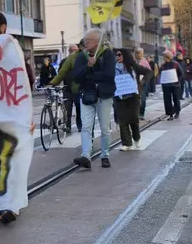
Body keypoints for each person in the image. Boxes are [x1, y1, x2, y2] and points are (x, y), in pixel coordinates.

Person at [0, 11, 29, 225]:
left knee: (12, 160)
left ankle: (12, 205)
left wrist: (27, 114)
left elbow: (25, 85)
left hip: (11, 116)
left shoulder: (13, 51)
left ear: (3, 27)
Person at [71, 28, 116, 170]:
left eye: (89, 40)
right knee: (86, 127)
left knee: (104, 128)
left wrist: (90, 75)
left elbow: (109, 75)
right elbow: (76, 77)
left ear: (97, 42)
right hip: (87, 95)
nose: (86, 42)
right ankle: (86, 156)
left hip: (104, 95)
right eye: (85, 40)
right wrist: (88, 68)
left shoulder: (107, 54)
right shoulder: (82, 56)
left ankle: (105, 155)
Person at [115, 49, 152, 151]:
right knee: (122, 120)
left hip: (133, 96)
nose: (117, 57)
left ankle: (136, 138)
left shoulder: (133, 66)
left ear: (125, 56)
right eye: (116, 55)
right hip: (119, 96)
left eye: (119, 55)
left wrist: (142, 82)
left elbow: (148, 72)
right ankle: (127, 143)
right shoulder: (113, 68)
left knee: (133, 119)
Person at [50, 43, 83, 133]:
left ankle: (79, 125)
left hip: (77, 89)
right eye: (71, 51)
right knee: (67, 109)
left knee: (79, 108)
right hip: (67, 88)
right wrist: (55, 83)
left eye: (75, 51)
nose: (73, 52)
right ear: (69, 51)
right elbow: (61, 73)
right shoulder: (64, 61)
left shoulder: (80, 60)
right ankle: (68, 125)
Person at [160, 51, 183, 120]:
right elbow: (161, 74)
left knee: (176, 99)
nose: (163, 58)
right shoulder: (163, 65)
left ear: (168, 57)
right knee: (167, 100)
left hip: (175, 85)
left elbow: (181, 74)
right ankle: (170, 114)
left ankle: (177, 112)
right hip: (166, 86)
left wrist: (177, 80)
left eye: (164, 56)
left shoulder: (176, 64)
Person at [135, 48, 150, 121]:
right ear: (136, 54)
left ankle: (141, 114)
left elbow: (149, 72)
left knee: (142, 99)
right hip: (134, 83)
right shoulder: (133, 61)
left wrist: (144, 80)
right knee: (135, 99)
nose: (142, 55)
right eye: (141, 53)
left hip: (143, 83)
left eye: (142, 53)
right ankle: (135, 114)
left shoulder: (144, 62)